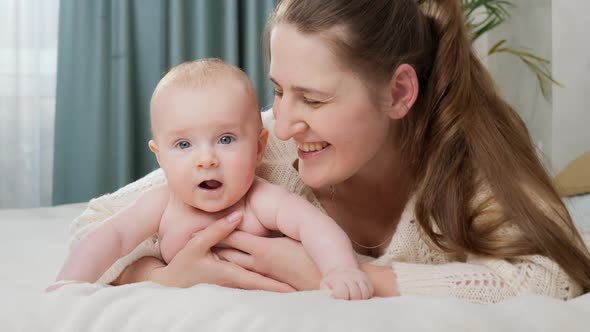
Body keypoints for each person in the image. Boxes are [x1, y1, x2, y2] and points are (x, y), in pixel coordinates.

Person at [68, 0, 590, 303]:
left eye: (313, 98)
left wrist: (337, 276)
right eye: (277, 90)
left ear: (399, 93)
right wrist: (164, 277)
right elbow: (98, 222)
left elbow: (556, 276)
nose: (287, 122)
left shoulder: (466, 165)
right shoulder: (267, 151)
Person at [50, 59, 373, 300]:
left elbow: (313, 225)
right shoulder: (162, 203)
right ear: (159, 155)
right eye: (184, 145)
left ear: (260, 147)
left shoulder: (260, 200)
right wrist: (69, 284)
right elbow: (112, 237)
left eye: (226, 139)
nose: (206, 159)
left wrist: (340, 269)